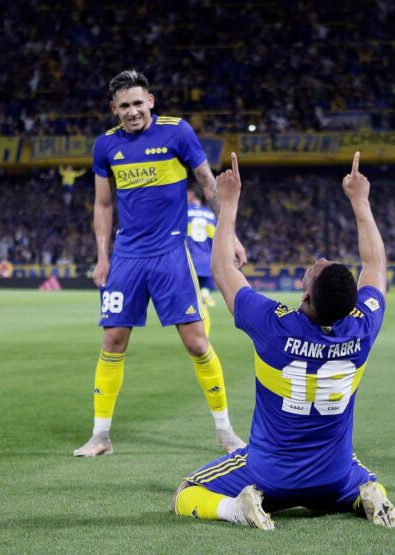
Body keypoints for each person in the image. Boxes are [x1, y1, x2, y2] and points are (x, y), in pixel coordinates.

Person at [171, 152, 395, 530]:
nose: (319, 258)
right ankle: (367, 495)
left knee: (185, 492)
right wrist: (361, 201)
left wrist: (228, 204)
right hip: (334, 475)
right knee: (362, 476)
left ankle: (238, 509)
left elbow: (222, 269)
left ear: (305, 298)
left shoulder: (273, 325)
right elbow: (374, 265)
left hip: (270, 477)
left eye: (314, 270)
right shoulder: (363, 326)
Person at [73, 70, 247, 457]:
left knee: (197, 343)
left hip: (171, 253)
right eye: (124, 106)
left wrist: (230, 233)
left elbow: (207, 183)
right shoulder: (106, 146)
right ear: (113, 108)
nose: (132, 111)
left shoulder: (177, 132)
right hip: (128, 257)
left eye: (138, 103)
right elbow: (103, 205)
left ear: (150, 100)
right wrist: (102, 258)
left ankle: (225, 431)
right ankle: (100, 437)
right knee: (112, 341)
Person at [186, 188, 218, 335]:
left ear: (191, 195)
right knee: (202, 295)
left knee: (191, 303)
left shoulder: (183, 212)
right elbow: (215, 239)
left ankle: (199, 337)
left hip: (188, 260)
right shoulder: (210, 214)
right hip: (206, 260)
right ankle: (205, 294)